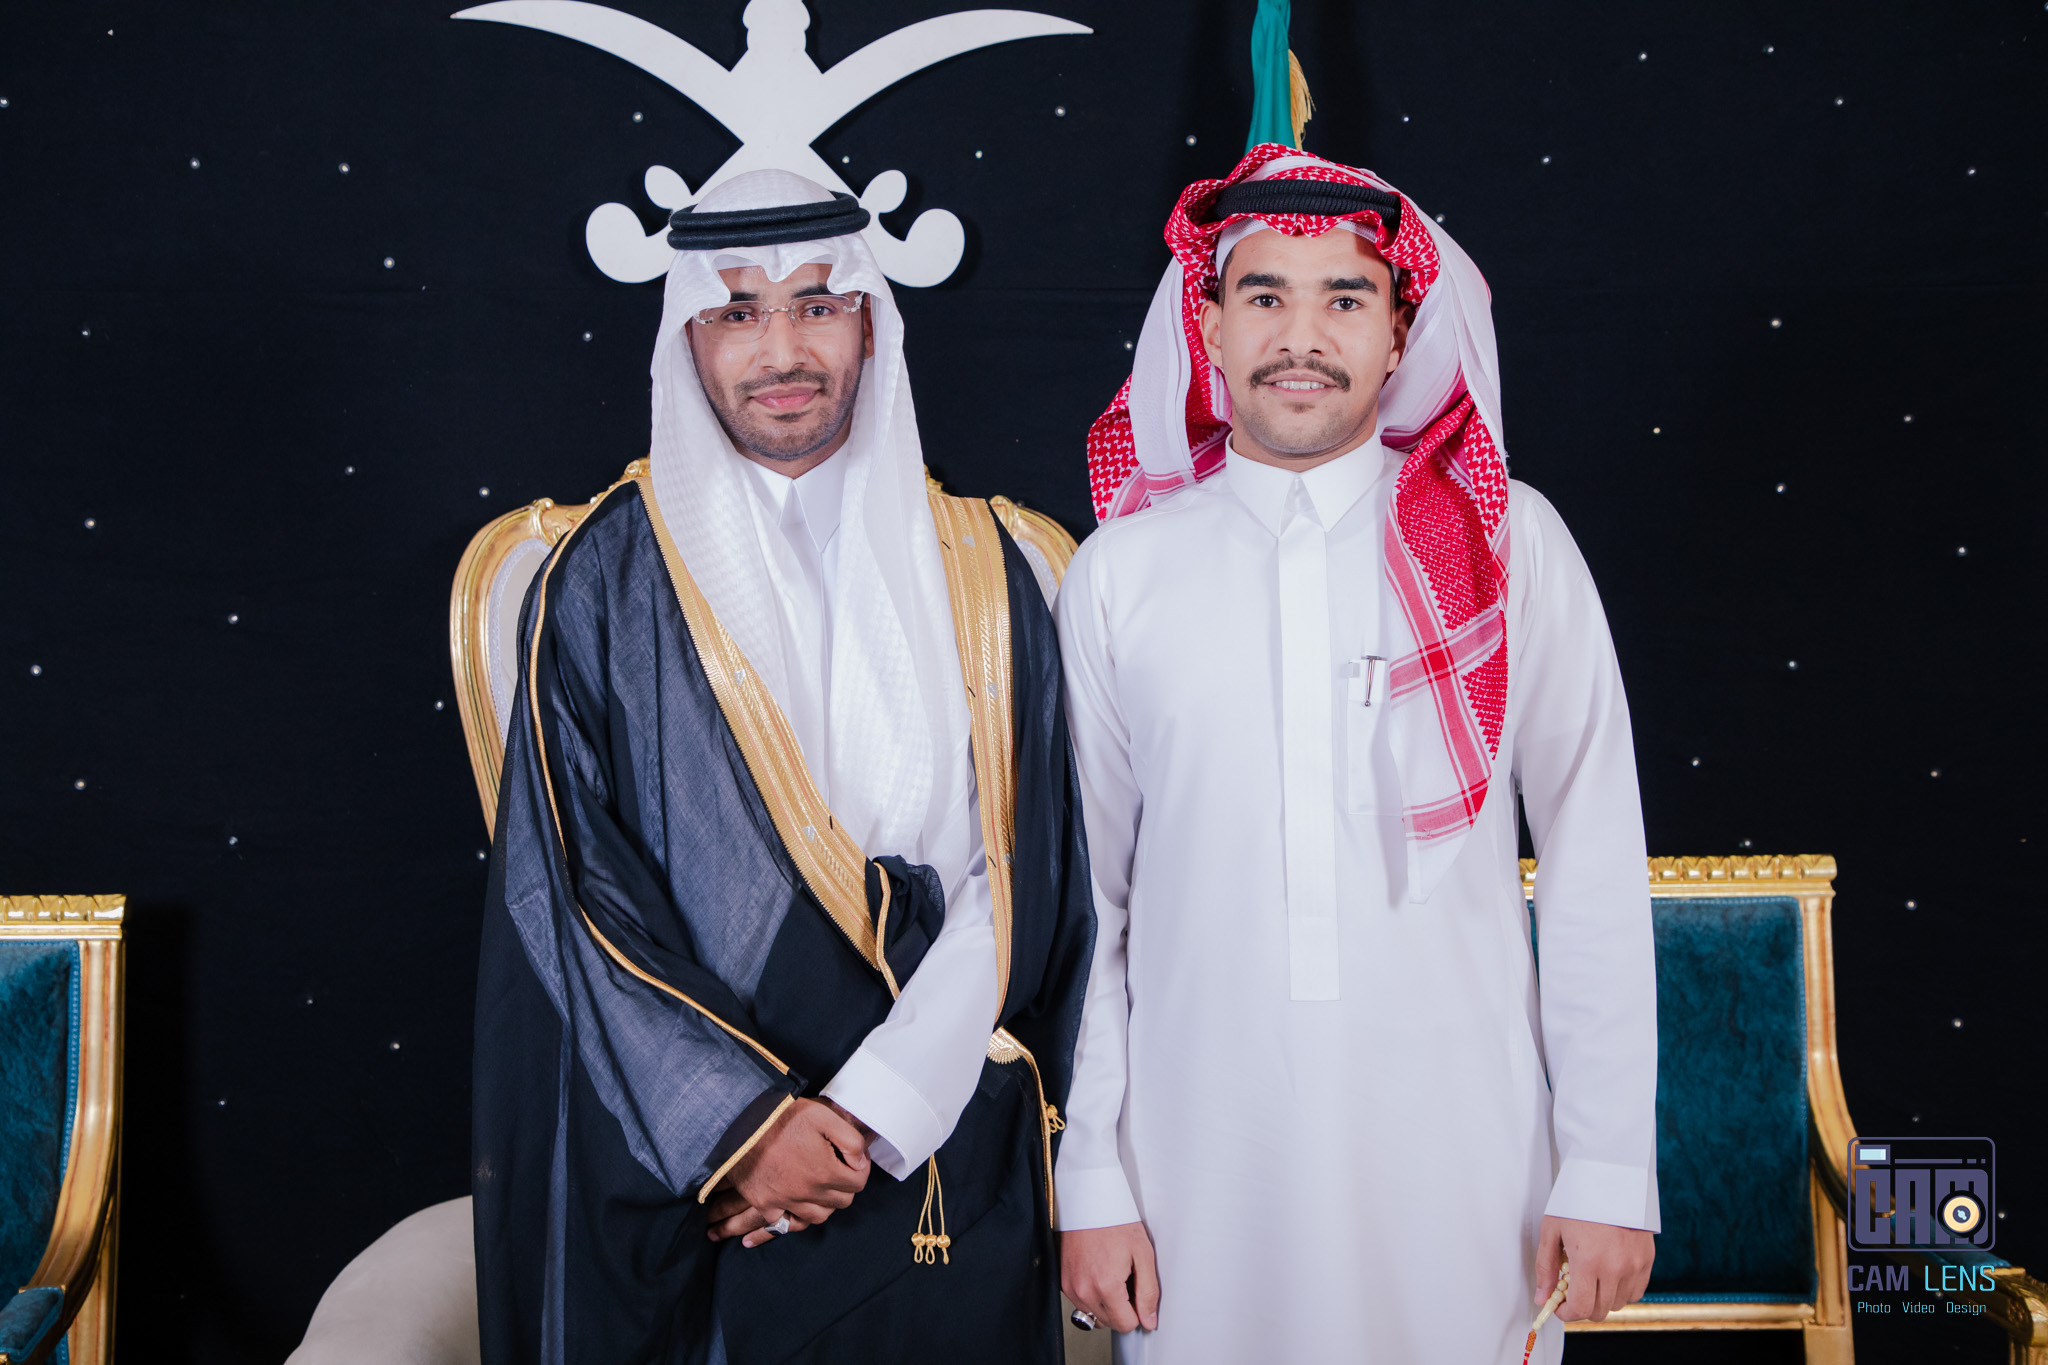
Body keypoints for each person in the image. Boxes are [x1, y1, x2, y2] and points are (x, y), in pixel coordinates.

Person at [471, 169, 1093, 1365]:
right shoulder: (602, 581)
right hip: (705, 1172)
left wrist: (875, 1108)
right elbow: (567, 888)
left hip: (939, 1132)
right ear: (688, 340)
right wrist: (743, 1127)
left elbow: (1028, 872)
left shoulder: (988, 567)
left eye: (816, 304)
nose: (781, 351)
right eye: (737, 312)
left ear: (868, 324)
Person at [1054, 144, 1660, 1363]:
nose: (1301, 337)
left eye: (1344, 298)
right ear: (1207, 328)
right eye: (1263, 296)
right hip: (1193, 1167)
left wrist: (1604, 1165)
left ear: (1397, 336)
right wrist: (1094, 1181)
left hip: (1465, 1159)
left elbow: (1592, 864)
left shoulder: (1507, 543)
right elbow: (1091, 905)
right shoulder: (1120, 572)